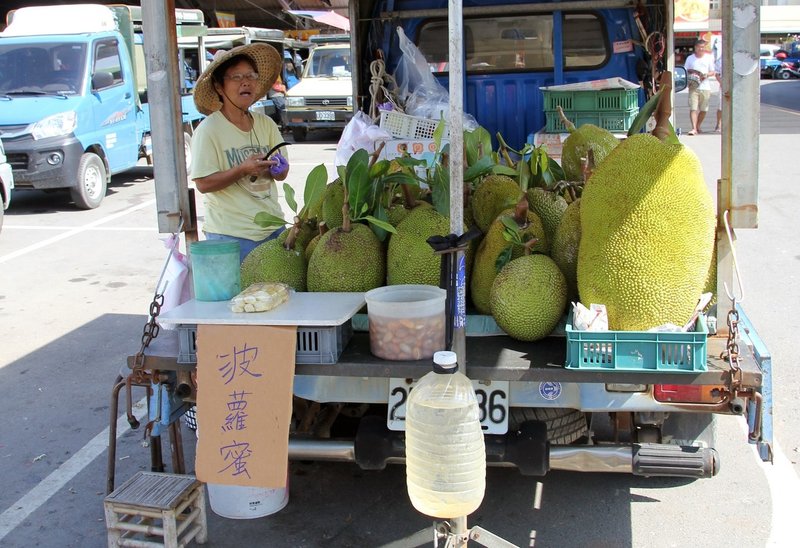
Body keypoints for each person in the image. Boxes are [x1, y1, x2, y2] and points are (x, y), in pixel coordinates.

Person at [190, 43, 290, 263]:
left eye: (251, 76)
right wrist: (242, 170)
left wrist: (280, 169)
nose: (246, 82)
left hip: (273, 228)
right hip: (231, 236)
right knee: (243, 298)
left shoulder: (266, 124)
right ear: (219, 86)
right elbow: (203, 184)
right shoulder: (208, 130)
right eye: (236, 77)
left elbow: (282, 175)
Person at [684, 39, 716, 135]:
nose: (701, 49)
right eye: (699, 47)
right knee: (693, 108)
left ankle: (698, 125)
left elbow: (713, 71)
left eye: (703, 47)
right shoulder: (690, 58)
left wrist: (706, 75)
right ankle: (693, 128)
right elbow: (686, 70)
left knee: (704, 109)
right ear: (696, 48)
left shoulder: (709, 58)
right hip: (693, 87)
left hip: (705, 87)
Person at [714, 55, 722, 133]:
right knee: (721, 106)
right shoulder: (721, 59)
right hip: (723, 85)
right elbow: (716, 73)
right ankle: (718, 124)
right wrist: (721, 82)